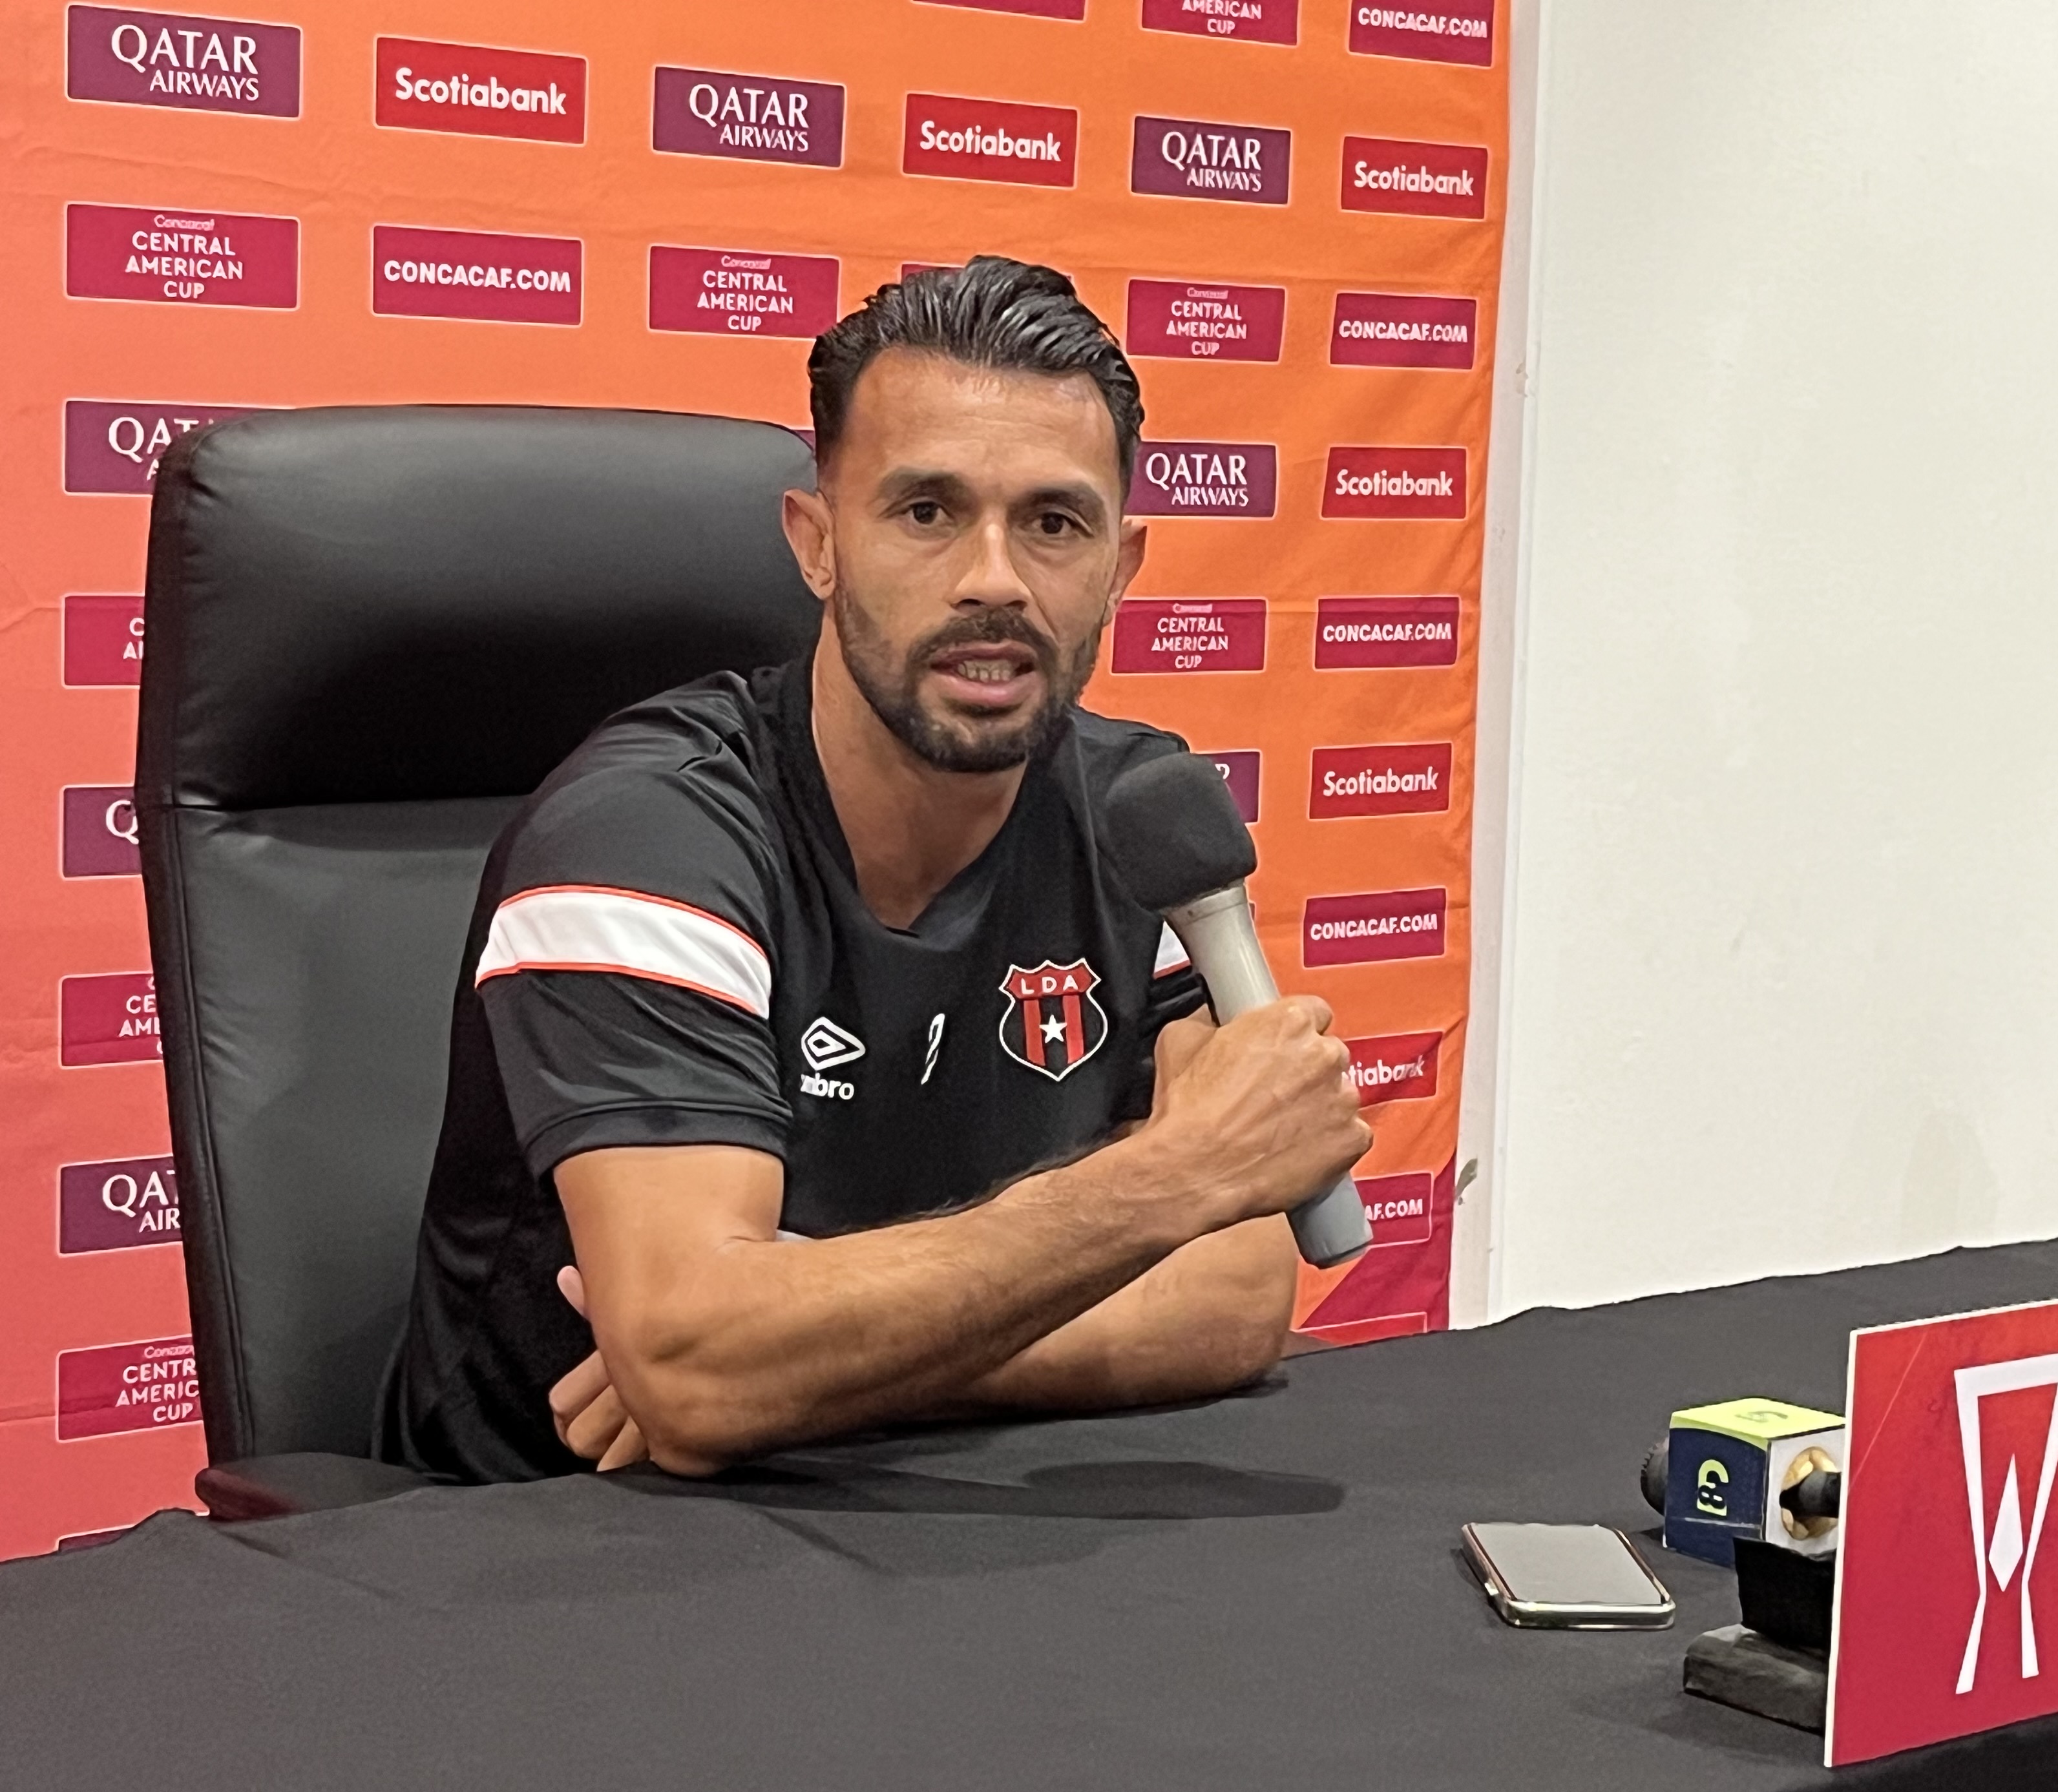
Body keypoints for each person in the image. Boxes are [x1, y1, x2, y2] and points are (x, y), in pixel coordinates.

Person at [375, 257, 1370, 1484]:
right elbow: (698, 1369)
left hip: (937, 1501)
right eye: (927, 513)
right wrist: (1173, 1182)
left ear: (1121, 568)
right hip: (542, 1536)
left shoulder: (1139, 816)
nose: (993, 579)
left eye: (1054, 524)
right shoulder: (644, 831)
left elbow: (1234, 1298)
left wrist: (806, 1365)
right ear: (818, 544)